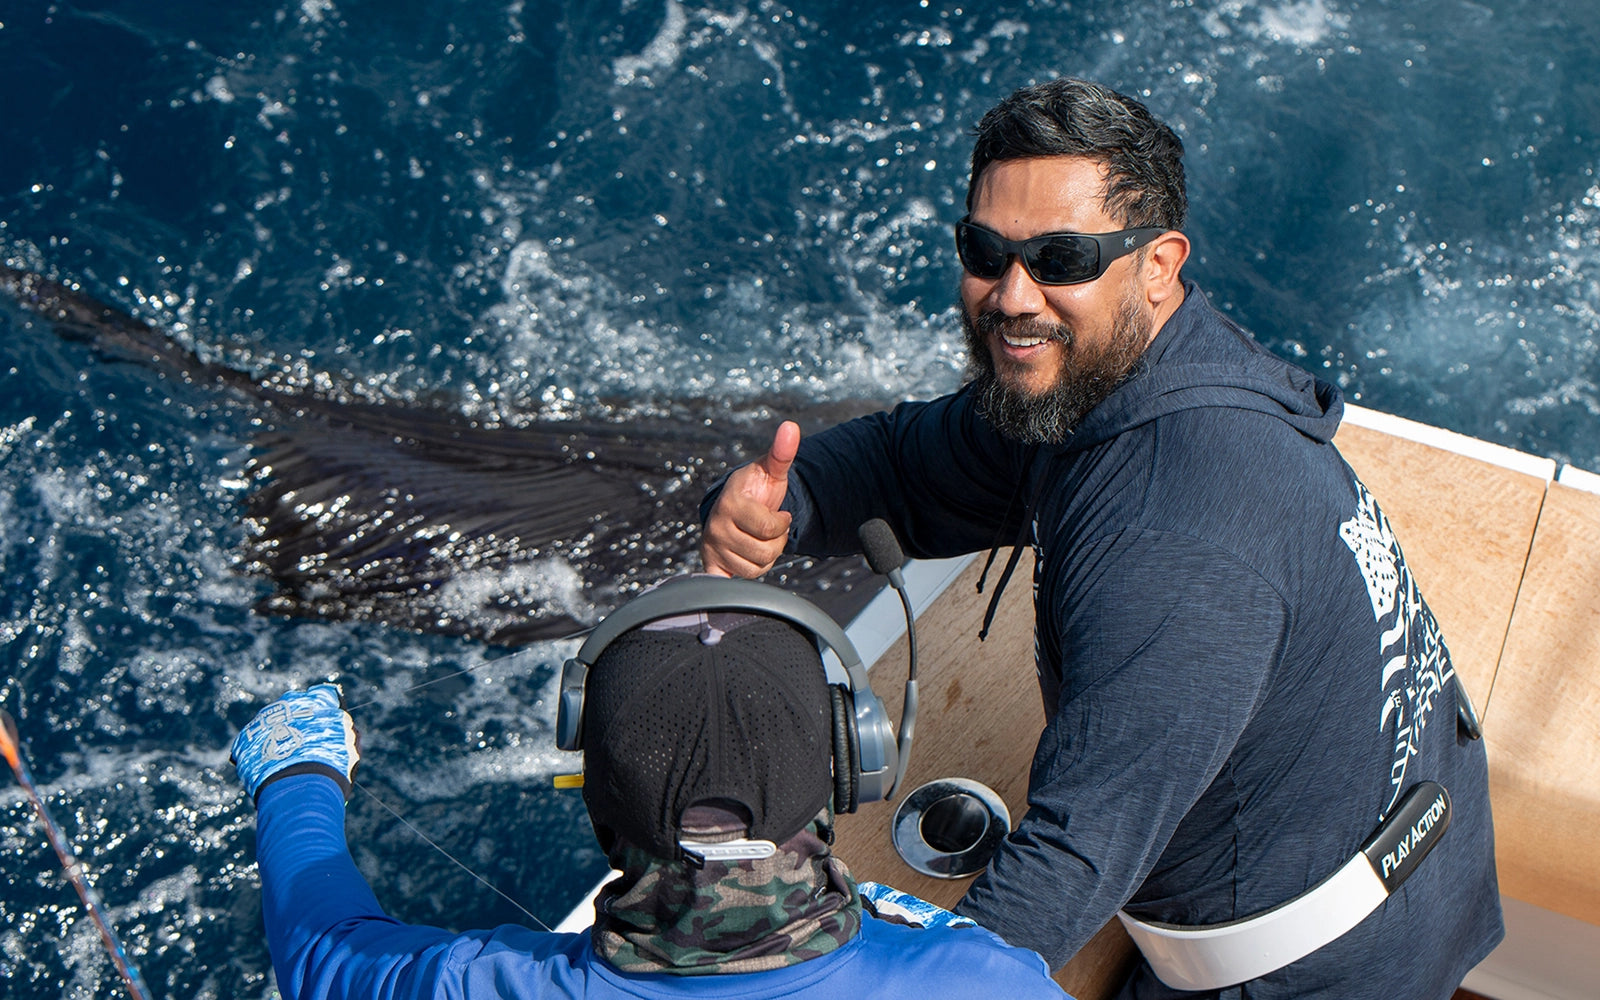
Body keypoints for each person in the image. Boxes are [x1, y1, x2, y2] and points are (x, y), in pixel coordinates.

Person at [699, 78, 1503, 999]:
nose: (1013, 295)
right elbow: (904, 462)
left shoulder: (1175, 534)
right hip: (1409, 822)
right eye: (985, 251)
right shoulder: (1119, 369)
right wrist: (787, 499)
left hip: (1316, 966)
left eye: (1060, 258)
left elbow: (1069, 860)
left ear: (1158, 264)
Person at [229, 585, 1072, 999]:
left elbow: (322, 944)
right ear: (853, 762)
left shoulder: (473, 986)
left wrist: (296, 775)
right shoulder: (987, 982)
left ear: (596, 802)